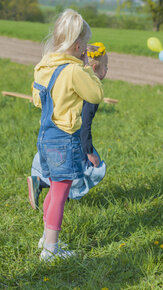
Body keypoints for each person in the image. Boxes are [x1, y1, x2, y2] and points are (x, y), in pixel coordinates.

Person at [31, 9, 103, 261]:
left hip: (45, 135)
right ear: (79, 46)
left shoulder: (43, 66)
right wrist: (88, 70)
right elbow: (95, 95)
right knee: (61, 191)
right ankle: (51, 249)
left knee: (54, 186)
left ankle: (45, 237)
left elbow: (37, 101)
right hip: (64, 138)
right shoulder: (73, 71)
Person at [27, 42, 109, 209]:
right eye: (106, 66)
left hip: (53, 131)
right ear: (93, 68)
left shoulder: (69, 77)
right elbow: (85, 125)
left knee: (58, 167)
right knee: (86, 170)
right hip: (72, 138)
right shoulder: (90, 91)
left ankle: (41, 181)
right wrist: (89, 151)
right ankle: (45, 186)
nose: (107, 70)